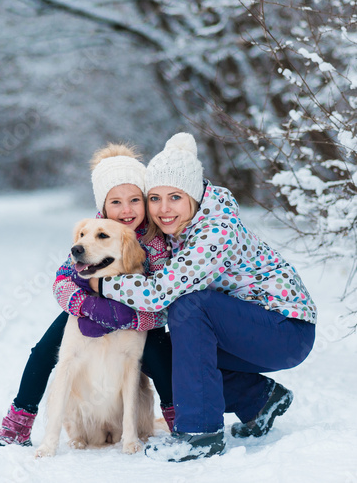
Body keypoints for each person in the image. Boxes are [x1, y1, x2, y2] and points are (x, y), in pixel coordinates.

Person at [88, 133, 317, 462]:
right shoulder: (178, 230)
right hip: (246, 331)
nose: (163, 209)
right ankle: (258, 400)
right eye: (154, 198)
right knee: (159, 351)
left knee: (189, 304)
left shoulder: (215, 231)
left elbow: (159, 293)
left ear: (193, 196)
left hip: (286, 329)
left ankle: (199, 434)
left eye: (175, 197)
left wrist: (102, 286)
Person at [0, 143, 174, 448]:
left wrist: (138, 317)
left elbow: (167, 296)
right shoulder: (93, 231)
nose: (125, 210)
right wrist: (85, 305)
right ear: (103, 205)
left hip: (139, 315)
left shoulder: (158, 241)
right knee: (45, 350)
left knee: (158, 355)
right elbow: (63, 279)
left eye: (134, 200)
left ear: (145, 200)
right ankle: (18, 424)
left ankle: (177, 419)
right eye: (116, 202)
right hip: (90, 308)